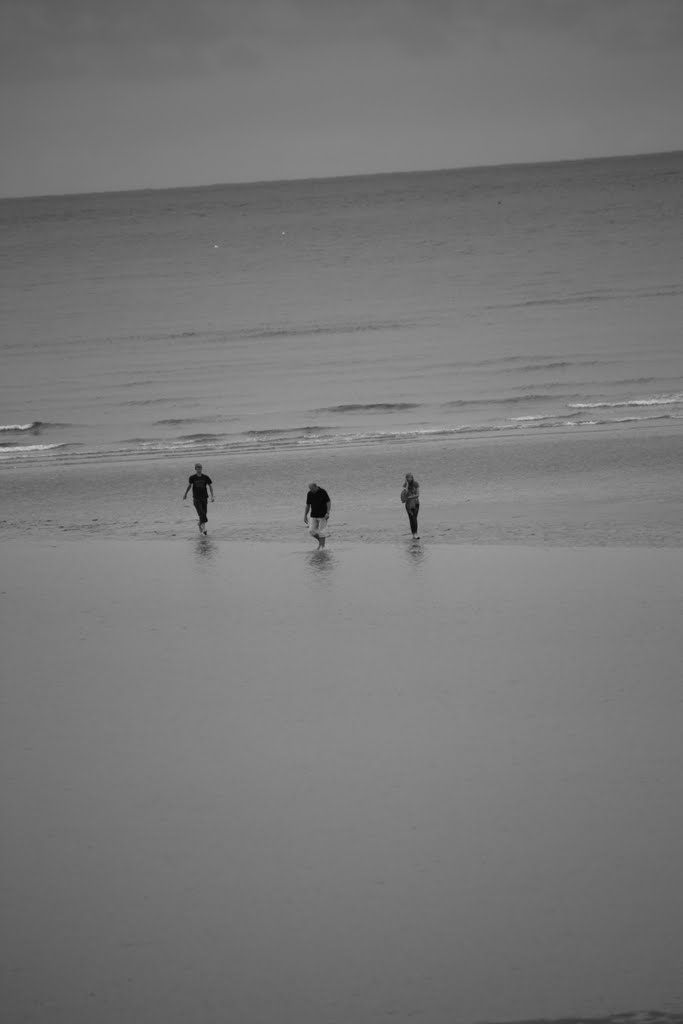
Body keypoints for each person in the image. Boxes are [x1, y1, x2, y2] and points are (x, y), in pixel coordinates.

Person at [183, 463, 214, 534]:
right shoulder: (192, 477)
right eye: (197, 468)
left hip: (204, 498)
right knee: (201, 513)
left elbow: (210, 486)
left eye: (200, 468)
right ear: (195, 469)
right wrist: (185, 494)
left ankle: (199, 524)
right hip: (196, 498)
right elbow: (189, 486)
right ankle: (204, 529)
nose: (199, 469)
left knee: (204, 514)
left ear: (201, 468)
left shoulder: (206, 477)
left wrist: (212, 496)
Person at [304, 482, 331, 549]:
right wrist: (305, 515)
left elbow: (328, 502)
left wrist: (327, 513)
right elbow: (308, 505)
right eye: (310, 489)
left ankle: (322, 547)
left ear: (316, 487)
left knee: (322, 532)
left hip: (323, 515)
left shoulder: (323, 492)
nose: (311, 490)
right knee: (311, 531)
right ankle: (321, 542)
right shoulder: (309, 493)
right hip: (313, 515)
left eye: (312, 488)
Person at [401, 472, 420, 539]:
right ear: (406, 479)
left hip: (416, 503)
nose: (409, 479)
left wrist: (409, 497)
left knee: (414, 518)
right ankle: (413, 534)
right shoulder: (404, 485)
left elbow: (417, 495)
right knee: (411, 519)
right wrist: (406, 485)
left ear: (412, 478)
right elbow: (404, 494)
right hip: (408, 505)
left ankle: (416, 533)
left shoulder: (416, 484)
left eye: (410, 477)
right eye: (408, 478)